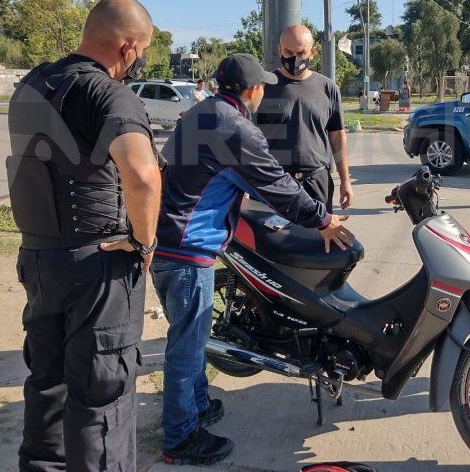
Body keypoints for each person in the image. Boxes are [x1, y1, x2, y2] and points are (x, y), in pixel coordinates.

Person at [145, 52, 355, 465]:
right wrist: (322, 219)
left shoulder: (202, 112)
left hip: (172, 241)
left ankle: (197, 405)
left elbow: (247, 180)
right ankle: (180, 438)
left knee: (194, 336)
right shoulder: (235, 127)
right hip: (187, 250)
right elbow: (274, 184)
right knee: (186, 346)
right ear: (254, 90)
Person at [7, 0, 162, 472]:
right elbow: (142, 175)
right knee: (102, 396)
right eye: (141, 53)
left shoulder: (32, 85)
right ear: (128, 47)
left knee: (47, 384)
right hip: (97, 267)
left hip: (39, 260)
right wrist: (144, 242)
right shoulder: (109, 94)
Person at [256, 24, 353, 211]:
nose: (294, 58)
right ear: (279, 50)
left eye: (301, 53)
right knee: (273, 239)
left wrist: (345, 181)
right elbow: (245, 136)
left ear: (313, 52)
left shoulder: (328, 88)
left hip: (317, 183)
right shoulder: (262, 87)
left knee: (319, 238)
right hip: (273, 184)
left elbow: (337, 136)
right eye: (288, 51)